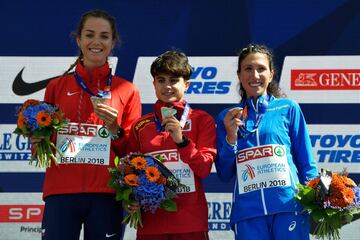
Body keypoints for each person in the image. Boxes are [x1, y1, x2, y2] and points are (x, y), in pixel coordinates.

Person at [31, 9, 142, 240]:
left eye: (104, 36)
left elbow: (132, 150)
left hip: (106, 195)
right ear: (78, 39)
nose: (96, 42)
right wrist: (38, 141)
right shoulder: (56, 87)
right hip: (61, 192)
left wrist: (115, 130)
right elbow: (42, 145)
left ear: (113, 43)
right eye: (90, 34)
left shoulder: (127, 90)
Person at [215, 44, 318, 240]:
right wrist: (231, 137)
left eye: (261, 69)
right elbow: (224, 173)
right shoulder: (227, 117)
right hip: (248, 213)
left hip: (288, 206)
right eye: (248, 69)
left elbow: (306, 162)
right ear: (239, 75)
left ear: (271, 74)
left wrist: (314, 200)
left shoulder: (288, 108)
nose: (255, 75)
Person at [126, 50, 216, 240]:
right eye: (161, 80)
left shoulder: (202, 120)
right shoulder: (141, 126)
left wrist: (181, 141)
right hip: (152, 223)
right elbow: (130, 172)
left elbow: (204, 168)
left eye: (174, 80)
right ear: (154, 84)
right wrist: (131, 199)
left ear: (187, 84)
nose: (167, 86)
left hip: (190, 223)